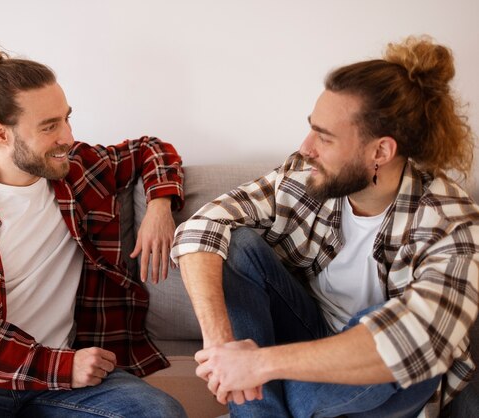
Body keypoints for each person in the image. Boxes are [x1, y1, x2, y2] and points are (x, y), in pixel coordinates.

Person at [171, 35, 478, 417]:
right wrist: (222, 347)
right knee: (236, 243)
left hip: (389, 376)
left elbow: (412, 341)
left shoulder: (451, 223)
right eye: (312, 128)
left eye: (325, 137)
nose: (306, 147)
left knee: (373, 331)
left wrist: (259, 365)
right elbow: (202, 227)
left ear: (380, 151)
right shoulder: (305, 176)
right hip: (308, 335)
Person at [0, 44, 186, 418]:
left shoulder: (79, 171)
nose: (68, 137)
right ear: (0, 134)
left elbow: (151, 149)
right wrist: (58, 366)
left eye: (67, 119)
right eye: (49, 126)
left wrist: (160, 205)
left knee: (160, 413)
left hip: (66, 381)